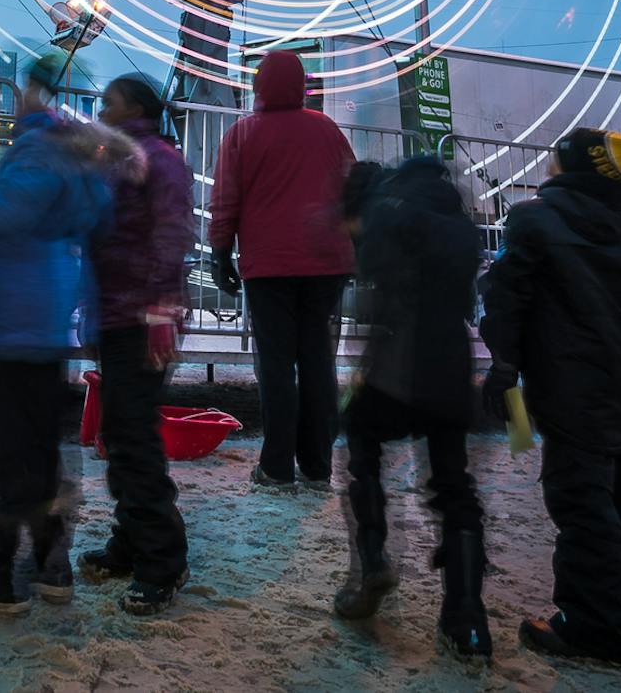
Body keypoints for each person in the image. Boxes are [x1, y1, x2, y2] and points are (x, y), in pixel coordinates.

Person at [479, 127, 621, 669]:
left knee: (580, 498)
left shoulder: (534, 220)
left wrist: (504, 366)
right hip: (618, 375)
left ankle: (594, 626)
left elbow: (506, 297)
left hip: (566, 377)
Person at [0, 50, 117, 614]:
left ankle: (3, 579)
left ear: (34, 93)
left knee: (10, 445)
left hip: (18, 315)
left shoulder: (36, 151)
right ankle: (51, 567)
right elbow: (95, 214)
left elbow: (7, 216)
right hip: (48, 315)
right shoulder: (69, 157)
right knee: (42, 445)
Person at [333, 154, 492, 661]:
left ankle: (373, 560)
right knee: (454, 483)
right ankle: (468, 621)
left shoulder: (386, 208)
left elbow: (377, 278)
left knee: (362, 446)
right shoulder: (456, 219)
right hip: (451, 358)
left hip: (399, 358)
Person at [207, 49, 356, 492]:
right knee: (318, 362)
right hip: (325, 263)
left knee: (275, 365)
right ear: (302, 85)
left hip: (269, 265)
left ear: (259, 86)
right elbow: (352, 187)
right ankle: (317, 466)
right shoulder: (326, 129)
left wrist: (220, 253)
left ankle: (276, 467)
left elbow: (226, 199)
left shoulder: (243, 133)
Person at [80, 73, 194, 615]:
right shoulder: (119, 159)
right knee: (119, 434)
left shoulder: (158, 160)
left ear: (136, 108)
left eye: (111, 102)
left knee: (133, 436)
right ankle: (131, 541)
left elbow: (170, 234)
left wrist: (160, 312)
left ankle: (161, 560)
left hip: (143, 317)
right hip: (118, 313)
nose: (102, 109)